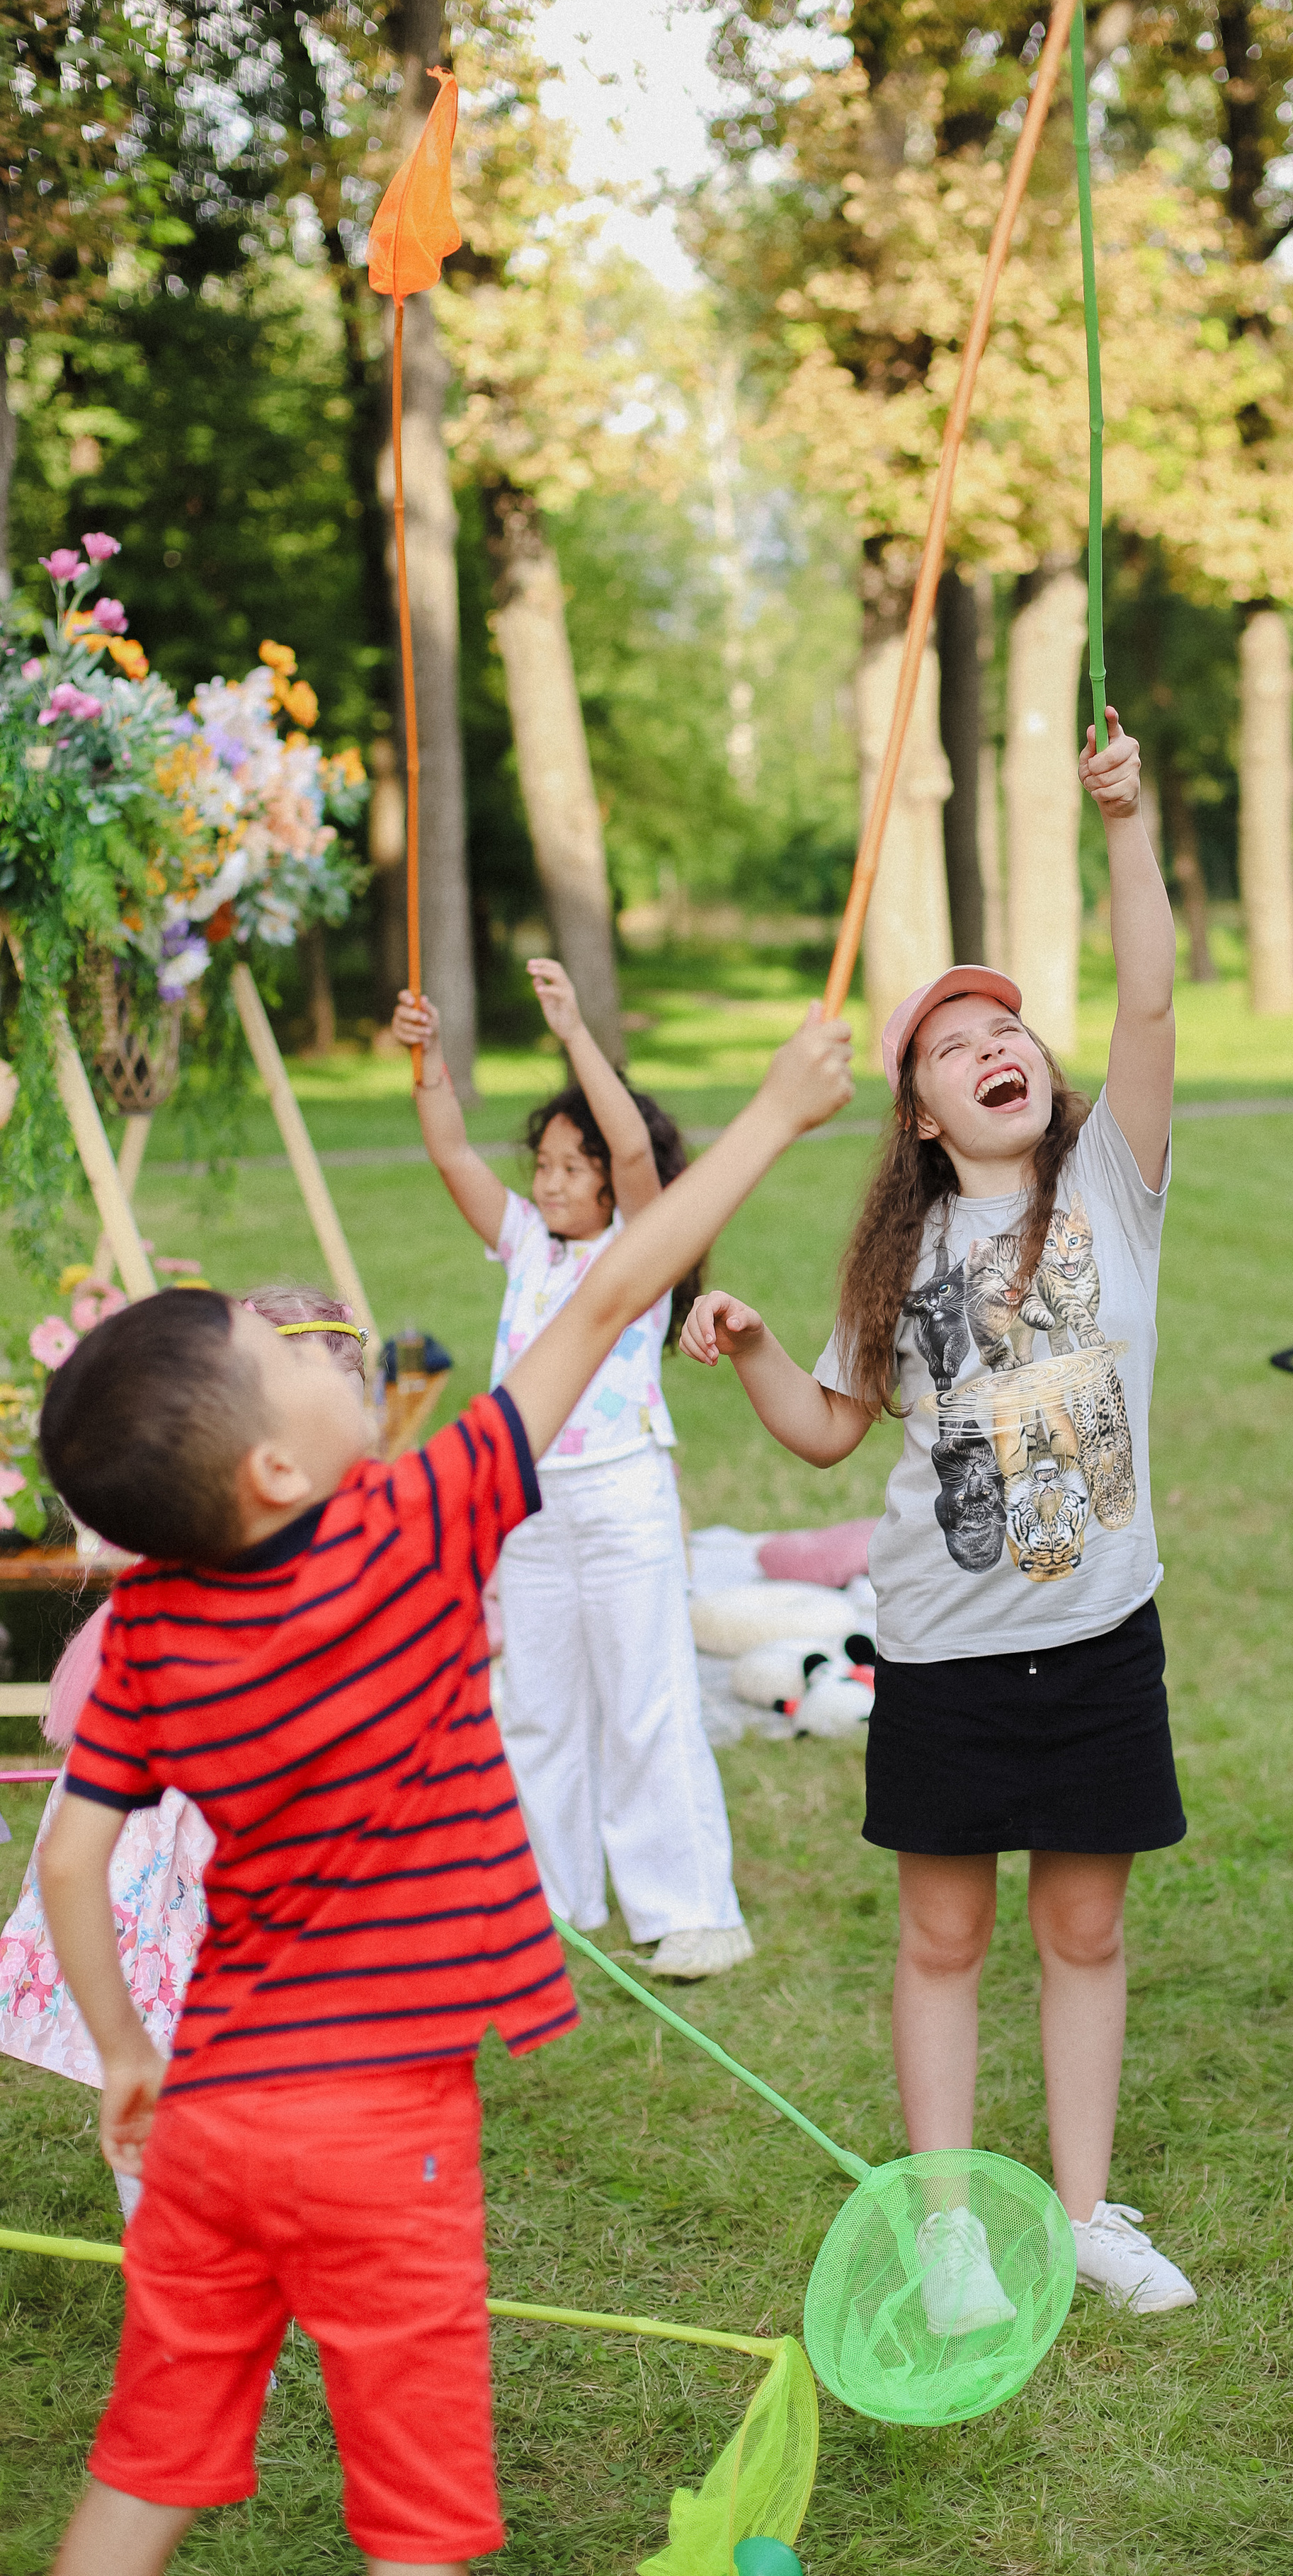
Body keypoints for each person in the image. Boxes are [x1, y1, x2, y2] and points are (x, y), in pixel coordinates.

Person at [30, 1007, 851, 2576]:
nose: (335, 1348)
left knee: (145, 2466)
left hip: (207, 2112)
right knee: (413, 2514)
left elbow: (74, 1868)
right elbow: (612, 1287)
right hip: (377, 2125)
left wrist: (127, 2056)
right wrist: (769, 1116)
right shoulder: (415, 1525)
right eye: (292, 1356)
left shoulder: (141, 1629)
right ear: (276, 1470)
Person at [679, 711, 1197, 2322]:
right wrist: (759, 1348)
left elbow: (1155, 995)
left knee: (1087, 1927)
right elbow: (830, 1437)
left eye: (1013, 1031)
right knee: (943, 1934)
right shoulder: (891, 1269)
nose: (1002, 1047)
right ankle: (957, 2229)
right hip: (949, 1647)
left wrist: (1121, 824)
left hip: (1098, 1636)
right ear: (918, 1110)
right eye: (958, 1042)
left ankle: (1087, 2208)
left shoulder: (1112, 1181)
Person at [392, 956, 748, 1982]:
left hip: (625, 1495)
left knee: (646, 1697)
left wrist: (574, 1033)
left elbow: (635, 1145)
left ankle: (690, 1911)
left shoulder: (640, 1250)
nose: (547, 1180)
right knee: (539, 1704)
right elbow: (453, 1149)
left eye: (568, 1165)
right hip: (526, 1507)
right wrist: (426, 1060)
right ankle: (548, 1901)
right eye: (542, 1163)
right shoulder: (525, 1247)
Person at [0, 1290, 364, 2219]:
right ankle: (175, 2240)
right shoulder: (201, 1556)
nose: (358, 1424)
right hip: (183, 1854)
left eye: (357, 1395)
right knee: (173, 2067)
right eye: (327, 1394)